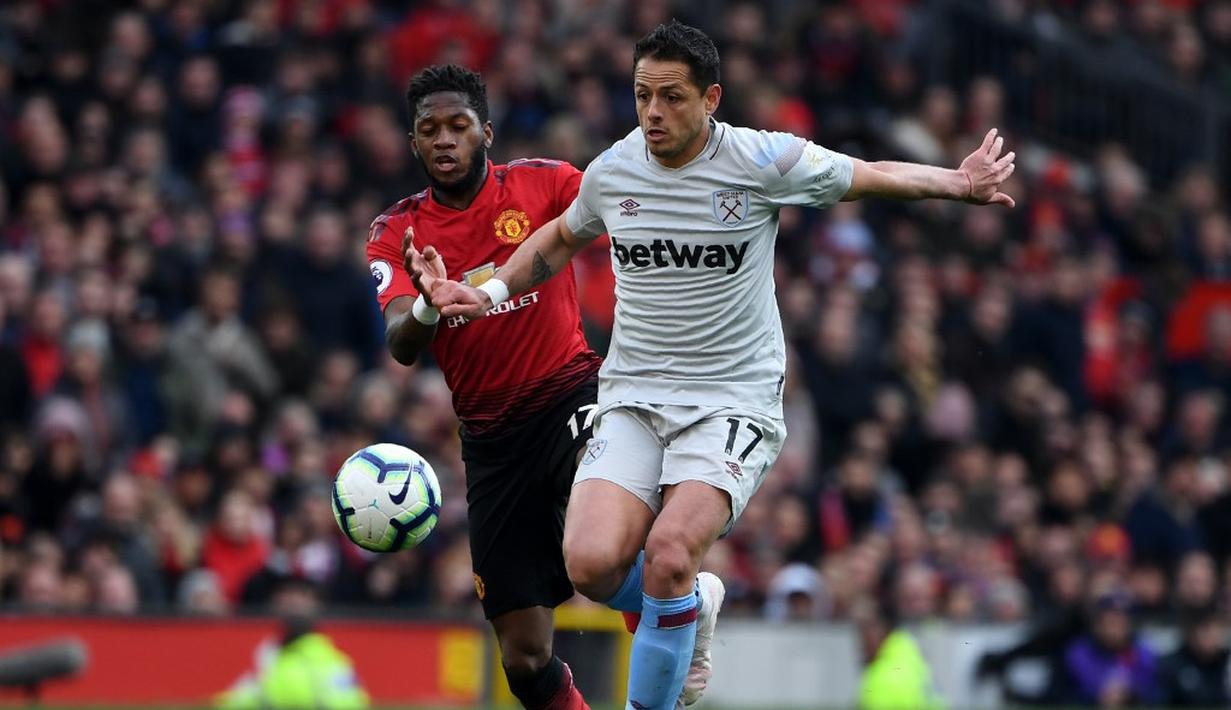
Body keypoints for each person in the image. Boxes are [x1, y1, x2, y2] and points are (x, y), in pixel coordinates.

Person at [428, 20, 1015, 710]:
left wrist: (958, 182)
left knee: (670, 553)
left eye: (671, 97)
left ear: (711, 98)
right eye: (642, 95)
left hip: (731, 400)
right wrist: (489, 291)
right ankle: (690, 604)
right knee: (589, 565)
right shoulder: (615, 170)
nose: (652, 112)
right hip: (634, 396)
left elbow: (873, 175)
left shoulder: (760, 160)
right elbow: (559, 237)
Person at [369, 64, 711, 710]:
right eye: (429, 130)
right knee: (523, 659)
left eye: (458, 125)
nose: (444, 139)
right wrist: (427, 306)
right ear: (413, 143)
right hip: (492, 443)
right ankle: (670, 604)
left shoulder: (546, 184)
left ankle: (672, 604)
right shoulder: (396, 233)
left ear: (486, 133)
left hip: (569, 395)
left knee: (606, 528)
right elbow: (400, 343)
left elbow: (628, 209)